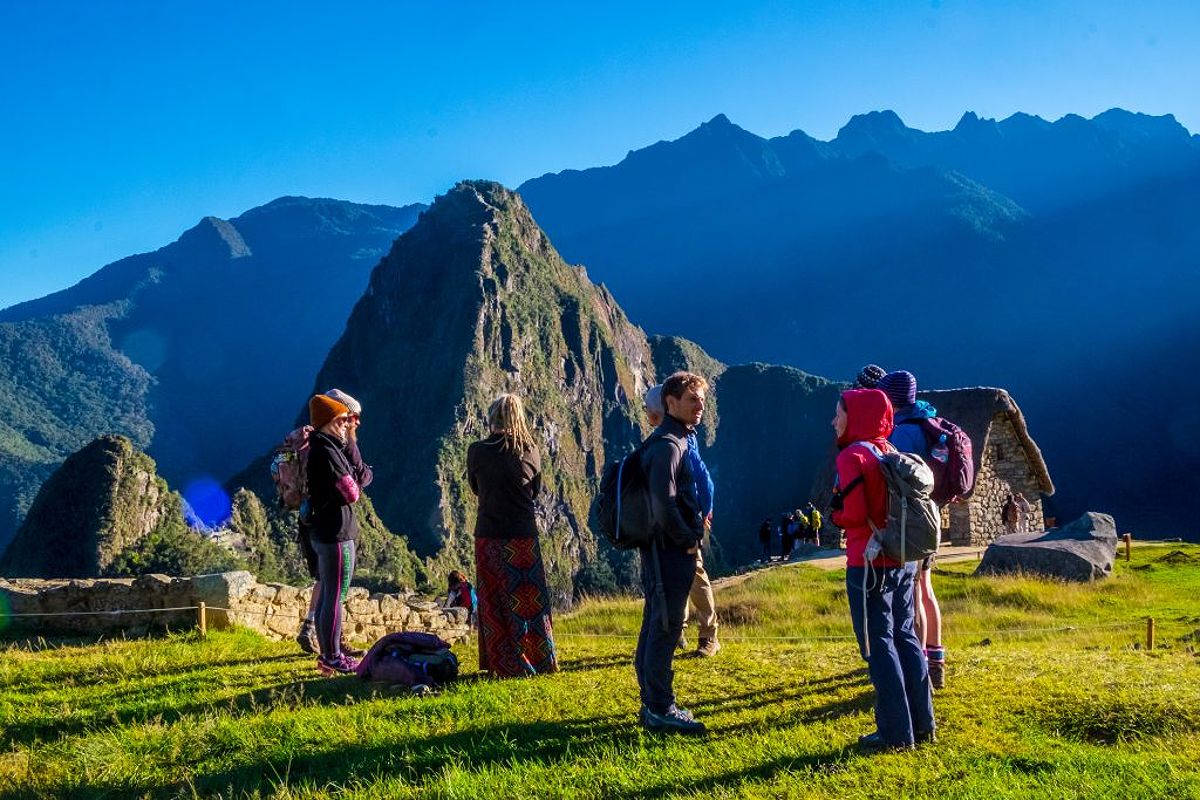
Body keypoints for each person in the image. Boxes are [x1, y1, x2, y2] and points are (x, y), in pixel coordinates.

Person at [831, 388, 935, 751]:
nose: (834, 421)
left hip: (868, 564)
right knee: (906, 636)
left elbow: (856, 515)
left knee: (879, 644)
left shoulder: (852, 456)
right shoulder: (888, 450)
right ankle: (923, 724)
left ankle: (893, 732)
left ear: (855, 417)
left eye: (839, 414)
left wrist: (835, 515)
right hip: (902, 560)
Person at [634, 371, 708, 734]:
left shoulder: (674, 439)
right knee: (666, 625)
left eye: (702, 399)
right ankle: (661, 707)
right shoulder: (668, 445)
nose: (700, 406)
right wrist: (687, 540)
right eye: (693, 399)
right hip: (669, 552)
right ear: (671, 402)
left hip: (664, 550)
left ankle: (651, 701)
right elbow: (664, 504)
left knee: (657, 621)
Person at [467, 394, 558, 678]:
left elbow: (475, 488)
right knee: (529, 600)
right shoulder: (530, 450)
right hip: (522, 535)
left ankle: (501, 663)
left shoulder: (477, 451)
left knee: (493, 599)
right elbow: (534, 491)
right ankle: (538, 660)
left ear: (492, 418)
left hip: (489, 533)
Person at [877, 370, 946, 690]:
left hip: (912, 522)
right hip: (931, 518)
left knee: (912, 592)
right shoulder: (927, 421)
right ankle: (936, 660)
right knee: (927, 589)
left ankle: (915, 664)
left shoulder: (902, 434)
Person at [645, 383, 720, 658]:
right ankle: (678, 632)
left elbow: (704, 480)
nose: (647, 414)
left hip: (687, 520)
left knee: (694, 575)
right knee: (675, 577)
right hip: (670, 522)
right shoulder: (667, 439)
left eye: (649, 409)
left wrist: (703, 514)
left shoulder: (681, 441)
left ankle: (709, 635)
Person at [297, 389, 372, 659]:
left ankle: (330, 646)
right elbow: (353, 488)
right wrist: (357, 476)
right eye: (347, 418)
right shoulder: (328, 449)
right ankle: (332, 653)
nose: (353, 423)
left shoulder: (324, 445)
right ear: (332, 419)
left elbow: (359, 477)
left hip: (319, 526)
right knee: (334, 594)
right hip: (332, 531)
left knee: (330, 590)